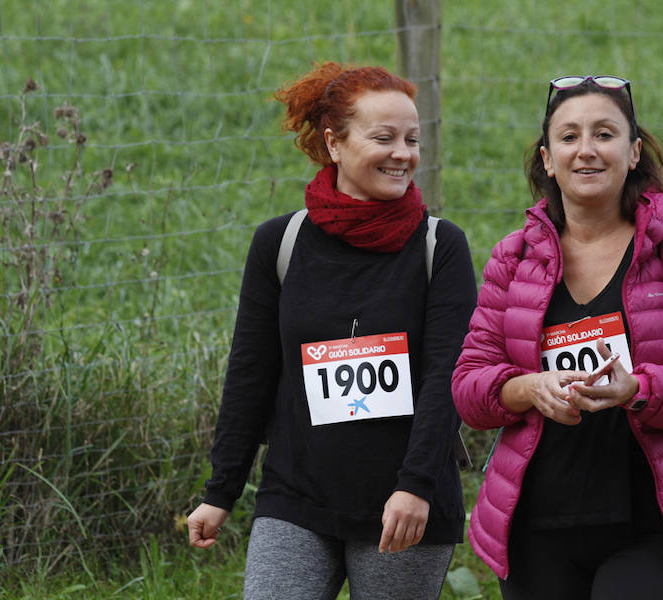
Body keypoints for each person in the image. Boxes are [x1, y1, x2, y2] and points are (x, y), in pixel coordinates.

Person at [451, 75, 663, 599]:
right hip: (538, 525)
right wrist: (527, 388)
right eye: (568, 137)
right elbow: (470, 386)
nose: (586, 150)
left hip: (656, 523)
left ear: (634, 152)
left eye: (604, 134)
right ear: (547, 158)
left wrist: (637, 388)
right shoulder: (514, 257)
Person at [186, 61, 477, 600]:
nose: (403, 154)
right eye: (383, 137)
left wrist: (415, 488)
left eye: (412, 139)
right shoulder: (280, 243)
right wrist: (220, 490)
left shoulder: (442, 247)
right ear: (334, 144)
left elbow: (447, 378)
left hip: (402, 506)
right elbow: (250, 372)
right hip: (297, 497)